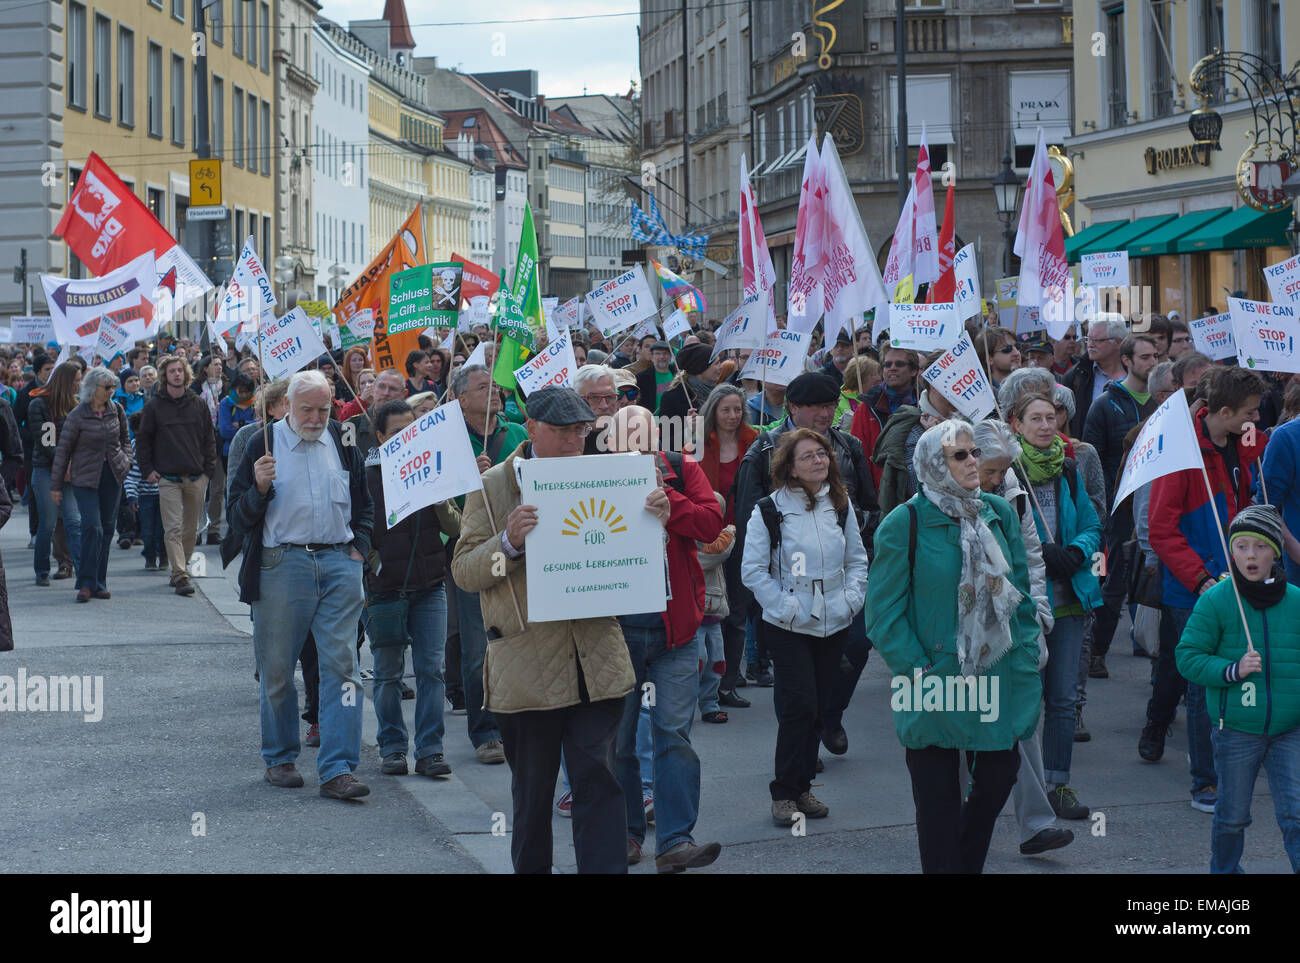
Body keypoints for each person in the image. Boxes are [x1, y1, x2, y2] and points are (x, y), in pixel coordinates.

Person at [450, 386, 637, 874]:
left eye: (581, 431)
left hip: (594, 659)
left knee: (598, 783)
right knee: (532, 796)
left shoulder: (608, 474)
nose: (576, 442)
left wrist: (650, 517)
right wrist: (507, 543)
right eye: (562, 432)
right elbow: (466, 571)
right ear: (531, 428)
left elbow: (633, 552)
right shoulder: (492, 487)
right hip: (527, 666)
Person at [866, 419, 1042, 873]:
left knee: (998, 780)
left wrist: (1024, 658)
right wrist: (918, 669)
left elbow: (1018, 597)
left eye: (973, 453)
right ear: (932, 464)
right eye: (958, 455)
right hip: (932, 678)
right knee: (938, 804)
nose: (971, 462)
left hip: (995, 674)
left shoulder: (998, 514)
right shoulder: (902, 523)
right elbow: (883, 614)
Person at [225, 370, 373, 801]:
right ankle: (280, 758)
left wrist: (359, 550)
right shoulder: (260, 443)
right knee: (276, 669)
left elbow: (364, 504)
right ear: (286, 405)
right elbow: (235, 517)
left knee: (343, 670)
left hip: (339, 562)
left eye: (323, 409)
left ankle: (338, 768)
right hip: (280, 565)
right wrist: (258, 487)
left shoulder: (344, 440)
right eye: (305, 409)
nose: (314, 418)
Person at [1144, 366, 1269, 814]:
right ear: (1223, 411)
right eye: (1251, 412)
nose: (1258, 418)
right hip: (1192, 588)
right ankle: (1206, 782)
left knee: (1235, 674)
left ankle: (1230, 764)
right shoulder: (1181, 452)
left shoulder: (1243, 442)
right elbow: (1161, 529)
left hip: (1235, 577)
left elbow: (1247, 500)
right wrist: (1199, 579)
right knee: (1200, 686)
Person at [606, 404, 724, 871]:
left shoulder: (681, 468)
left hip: (675, 634)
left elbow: (713, 523)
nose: (636, 443)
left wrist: (670, 505)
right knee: (618, 744)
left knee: (674, 736)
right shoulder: (594, 477)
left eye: (644, 434)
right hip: (616, 634)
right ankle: (626, 835)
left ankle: (674, 842)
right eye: (626, 435)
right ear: (610, 440)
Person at [735, 372, 879, 753]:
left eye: (831, 404)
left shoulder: (849, 446)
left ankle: (830, 717)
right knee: (795, 679)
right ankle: (802, 747)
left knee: (858, 646)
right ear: (793, 408)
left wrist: (854, 564)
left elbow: (870, 508)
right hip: (789, 585)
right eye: (816, 405)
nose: (825, 412)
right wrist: (771, 595)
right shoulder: (764, 449)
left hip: (841, 579)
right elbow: (749, 515)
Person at [742, 427, 869, 826]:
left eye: (822, 454)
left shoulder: (840, 505)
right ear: (791, 468)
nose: (818, 460)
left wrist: (851, 599)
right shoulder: (768, 510)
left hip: (835, 620)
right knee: (798, 707)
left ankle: (803, 787)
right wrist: (788, 607)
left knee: (820, 707)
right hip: (789, 623)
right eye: (808, 456)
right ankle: (784, 793)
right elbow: (753, 571)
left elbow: (857, 560)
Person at [1176, 505, 1300, 873]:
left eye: (1259, 547)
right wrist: (1232, 669)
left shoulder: (1295, 601)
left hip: (1289, 729)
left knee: (1295, 814)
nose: (1250, 555)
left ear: (1274, 552)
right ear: (1231, 552)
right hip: (1236, 731)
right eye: (1241, 546)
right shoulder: (1216, 599)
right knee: (1231, 817)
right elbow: (1188, 656)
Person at [973, 421, 1075, 857]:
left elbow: (1031, 557)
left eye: (1002, 471)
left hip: (1013, 628)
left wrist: (1040, 614)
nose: (998, 480)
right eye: (991, 471)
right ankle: (956, 821)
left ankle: (1035, 825)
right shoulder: (932, 501)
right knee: (959, 731)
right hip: (959, 638)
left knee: (1023, 724)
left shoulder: (1013, 490)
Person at [1009, 391, 1103, 819]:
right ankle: (1010, 783)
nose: (1046, 426)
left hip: (1069, 600)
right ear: (1017, 424)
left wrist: (1078, 554)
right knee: (1023, 698)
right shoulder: (1005, 473)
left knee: (1063, 700)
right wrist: (1039, 555)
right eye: (1036, 419)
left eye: (1052, 417)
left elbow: (1091, 523)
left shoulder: (1069, 469)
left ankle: (1057, 784)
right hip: (1026, 604)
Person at [364, 398, 461, 778]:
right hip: (385, 590)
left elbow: (455, 528)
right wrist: (376, 563)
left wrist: (437, 499)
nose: (407, 439)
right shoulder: (366, 476)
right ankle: (392, 748)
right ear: (380, 436)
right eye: (398, 433)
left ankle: (430, 751)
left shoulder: (431, 468)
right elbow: (357, 530)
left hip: (430, 585)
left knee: (430, 671)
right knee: (388, 673)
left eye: (412, 430)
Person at [446, 362, 523, 764]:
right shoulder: (448, 440)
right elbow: (438, 499)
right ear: (461, 400)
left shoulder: (518, 434)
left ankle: (519, 722)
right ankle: (486, 733)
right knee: (479, 647)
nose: (494, 391)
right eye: (482, 387)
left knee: (517, 639)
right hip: (475, 552)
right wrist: (465, 480)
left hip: (518, 552)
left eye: (495, 385)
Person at [1082, 333, 1159, 678]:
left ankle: (1153, 645)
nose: (1152, 362)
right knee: (1111, 583)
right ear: (1127, 360)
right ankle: (1096, 651)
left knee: (1153, 577)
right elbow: (1092, 460)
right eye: (1144, 357)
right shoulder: (1105, 405)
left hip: (1155, 504)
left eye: (1155, 356)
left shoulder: (1162, 403)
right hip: (1117, 510)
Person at [697, 384, 758, 709]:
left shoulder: (754, 441)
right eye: (726, 410)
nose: (733, 416)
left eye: (737, 410)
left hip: (744, 536)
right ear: (713, 411)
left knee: (735, 611)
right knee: (703, 609)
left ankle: (727, 683)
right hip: (704, 534)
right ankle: (697, 682)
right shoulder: (697, 441)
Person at [136, 356, 217, 597]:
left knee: (191, 530)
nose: (177, 374)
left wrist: (208, 472)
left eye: (180, 370)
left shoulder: (198, 404)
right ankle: (180, 574)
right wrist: (147, 469)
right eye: (172, 371)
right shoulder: (153, 406)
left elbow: (209, 440)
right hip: (167, 477)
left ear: (187, 374)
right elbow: (143, 440)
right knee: (173, 528)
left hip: (195, 476)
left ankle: (182, 566)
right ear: (165, 375)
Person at [50, 368, 131, 603]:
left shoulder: (116, 410)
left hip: (112, 475)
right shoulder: (78, 415)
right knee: (92, 527)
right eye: (106, 387)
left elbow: (125, 438)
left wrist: (126, 461)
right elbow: (63, 450)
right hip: (85, 478)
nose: (111, 392)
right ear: (92, 389)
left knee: (106, 531)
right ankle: (85, 582)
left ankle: (98, 582)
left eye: (112, 387)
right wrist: (56, 485)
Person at [27, 362, 83, 585]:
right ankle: (41, 569)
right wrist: (65, 464)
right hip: (46, 471)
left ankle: (83, 570)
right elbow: (45, 442)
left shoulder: (78, 405)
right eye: (77, 380)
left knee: (74, 521)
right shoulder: (39, 405)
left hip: (70, 470)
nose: (79, 384)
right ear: (66, 382)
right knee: (48, 523)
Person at [848, 345, 919, 489]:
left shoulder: (925, 404)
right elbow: (859, 461)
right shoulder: (866, 409)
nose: (892, 368)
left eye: (899, 364)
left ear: (913, 370)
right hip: (881, 497)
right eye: (887, 364)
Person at [1062, 313, 1129, 437]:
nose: (1090, 345)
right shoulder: (1075, 376)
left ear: (1119, 342)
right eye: (1088, 339)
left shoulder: (1136, 371)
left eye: (1097, 340)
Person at [216, 373, 258, 538]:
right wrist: (248, 426)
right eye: (239, 391)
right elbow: (225, 430)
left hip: (252, 450)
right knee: (233, 487)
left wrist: (241, 424)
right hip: (230, 451)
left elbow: (259, 424)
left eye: (246, 392)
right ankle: (233, 525)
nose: (242, 396)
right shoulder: (227, 403)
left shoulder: (255, 401)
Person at [124, 412, 164, 571]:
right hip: (144, 495)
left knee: (164, 528)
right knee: (147, 529)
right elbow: (130, 476)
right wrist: (132, 497)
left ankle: (164, 555)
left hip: (164, 494)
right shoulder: (134, 448)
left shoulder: (162, 445)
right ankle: (150, 556)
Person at [347, 369, 405, 459]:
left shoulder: (413, 424)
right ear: (373, 389)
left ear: (404, 393)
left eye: (393, 389)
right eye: (381, 387)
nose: (386, 393)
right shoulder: (351, 425)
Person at [975, 327, 1022, 392]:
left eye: (1017, 346)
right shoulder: (982, 393)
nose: (1016, 353)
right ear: (989, 359)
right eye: (1007, 349)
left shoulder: (1028, 385)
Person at [635, 341, 676, 414]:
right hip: (653, 420)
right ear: (652, 356)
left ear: (670, 356)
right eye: (658, 353)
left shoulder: (678, 375)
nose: (662, 357)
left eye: (665, 353)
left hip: (676, 419)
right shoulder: (642, 378)